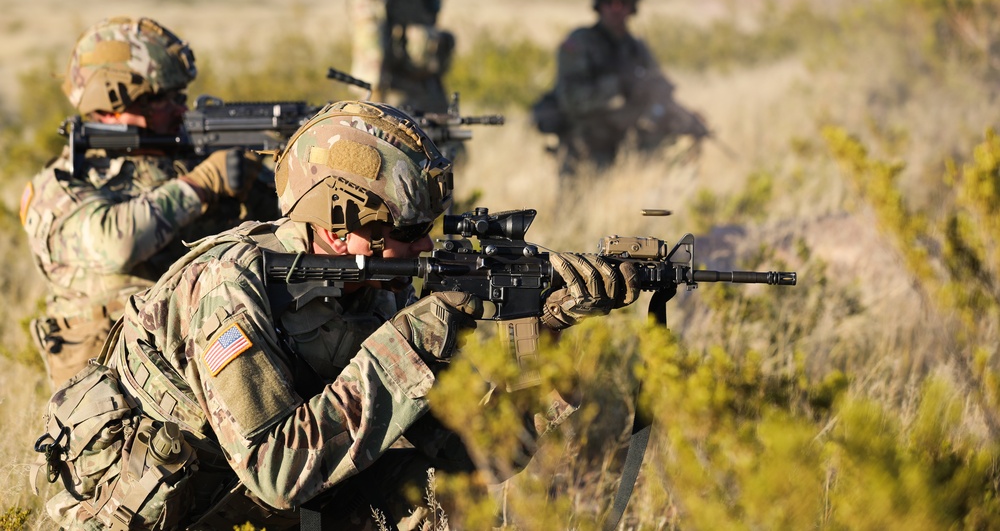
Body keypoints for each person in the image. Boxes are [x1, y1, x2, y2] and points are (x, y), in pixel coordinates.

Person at [32, 101, 639, 530]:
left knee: (428, 494)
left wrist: (544, 331)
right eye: (407, 230)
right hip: (181, 513)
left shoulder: (374, 286)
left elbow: (464, 456)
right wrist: (420, 336)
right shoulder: (229, 285)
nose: (425, 247)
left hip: (251, 511)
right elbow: (276, 469)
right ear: (343, 224)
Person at [20, 16, 274, 389]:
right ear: (109, 102)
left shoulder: (184, 160)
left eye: (179, 97)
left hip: (204, 369)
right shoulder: (62, 183)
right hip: (112, 399)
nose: (179, 111)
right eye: (159, 99)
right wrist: (201, 184)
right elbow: (115, 243)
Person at [536, 0, 709, 175]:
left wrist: (688, 120)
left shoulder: (637, 49)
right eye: (609, 2)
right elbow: (572, 100)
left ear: (633, 6)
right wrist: (619, 87)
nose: (616, 9)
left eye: (623, 2)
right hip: (584, 152)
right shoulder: (579, 44)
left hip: (627, 149)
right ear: (599, 4)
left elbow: (659, 95)